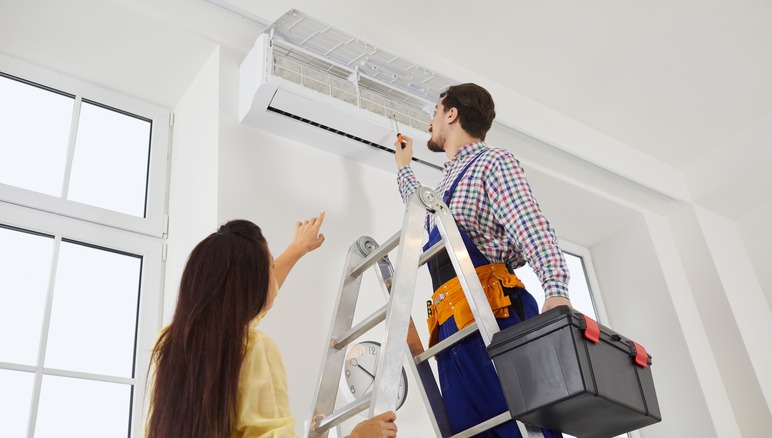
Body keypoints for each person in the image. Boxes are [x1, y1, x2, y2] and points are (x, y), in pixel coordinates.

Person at [393, 83, 570, 437]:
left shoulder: (492, 162)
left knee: (515, 425)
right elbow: (422, 209)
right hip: (450, 327)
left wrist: (556, 288)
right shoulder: (445, 188)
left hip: (492, 315)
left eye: (435, 113)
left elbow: (529, 223)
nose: (431, 122)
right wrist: (403, 166)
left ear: (451, 114)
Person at [145, 212, 398, 438]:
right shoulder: (254, 350)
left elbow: (237, 309)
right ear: (251, 285)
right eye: (270, 263)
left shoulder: (168, 344)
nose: (274, 268)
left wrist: (297, 248)